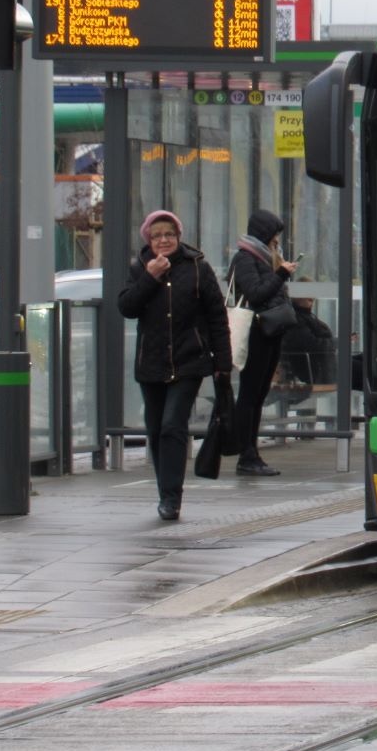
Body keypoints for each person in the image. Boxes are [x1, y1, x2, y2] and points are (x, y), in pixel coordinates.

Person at [117, 209, 232, 521]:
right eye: (157, 236)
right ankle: (163, 490)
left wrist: (223, 361)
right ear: (149, 241)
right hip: (151, 364)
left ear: (178, 237)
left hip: (188, 362)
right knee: (155, 430)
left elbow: (216, 317)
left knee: (172, 425)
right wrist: (150, 277)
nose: (163, 240)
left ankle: (172, 497)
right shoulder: (140, 268)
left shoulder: (197, 268)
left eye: (169, 235)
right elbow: (126, 306)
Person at [227, 208, 297, 477]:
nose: (277, 241)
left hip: (270, 333)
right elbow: (255, 294)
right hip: (255, 333)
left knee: (258, 395)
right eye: (274, 236)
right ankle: (246, 453)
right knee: (249, 394)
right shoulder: (246, 258)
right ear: (264, 234)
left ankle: (251, 451)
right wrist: (280, 274)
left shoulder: (266, 258)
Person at [282, 297, 336, 387]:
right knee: (360, 369)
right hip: (314, 369)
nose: (311, 297)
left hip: (324, 366)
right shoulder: (296, 318)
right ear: (296, 297)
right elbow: (312, 344)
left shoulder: (307, 315)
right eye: (306, 293)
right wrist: (339, 342)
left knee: (361, 362)